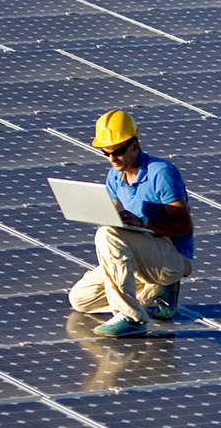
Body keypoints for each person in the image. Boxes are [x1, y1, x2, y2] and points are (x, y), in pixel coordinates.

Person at [68, 109, 193, 337]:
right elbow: (117, 222)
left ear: (135, 145)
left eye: (118, 151)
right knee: (80, 300)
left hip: (169, 258)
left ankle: (132, 317)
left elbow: (184, 226)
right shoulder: (114, 176)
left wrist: (144, 224)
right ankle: (156, 291)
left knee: (105, 235)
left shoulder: (161, 173)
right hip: (137, 258)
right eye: (106, 153)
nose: (112, 159)